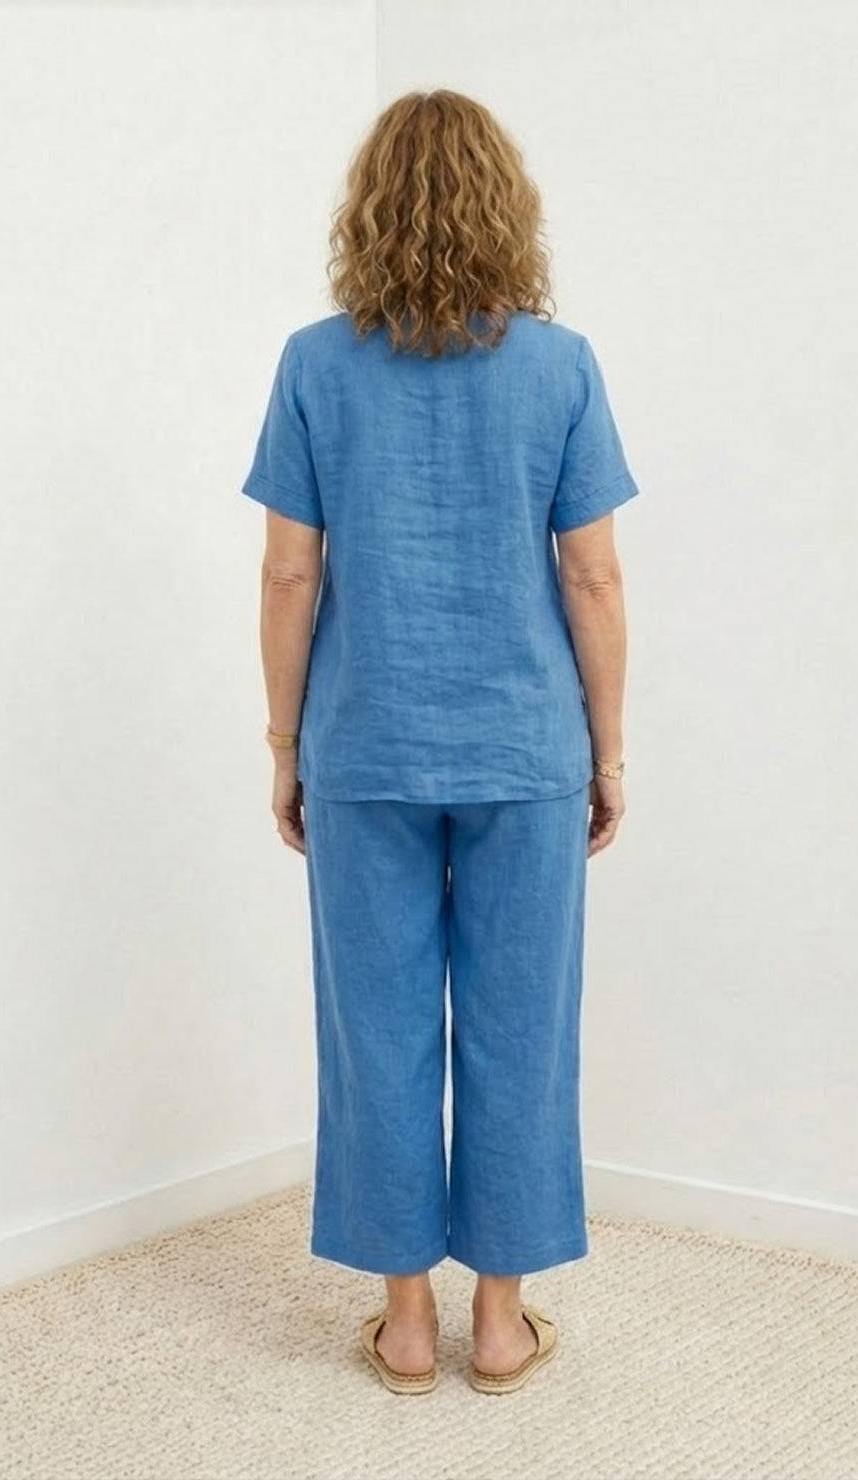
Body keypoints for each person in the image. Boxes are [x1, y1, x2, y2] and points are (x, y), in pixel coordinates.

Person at [241, 89, 638, 1395]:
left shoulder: (314, 363)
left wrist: (285, 743)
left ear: (368, 210)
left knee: (378, 1027)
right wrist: (607, 752)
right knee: (523, 1030)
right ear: (505, 208)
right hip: (526, 752)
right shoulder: (559, 366)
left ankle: (406, 1321)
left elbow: (289, 574)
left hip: (365, 747)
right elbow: (592, 576)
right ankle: (501, 1323)